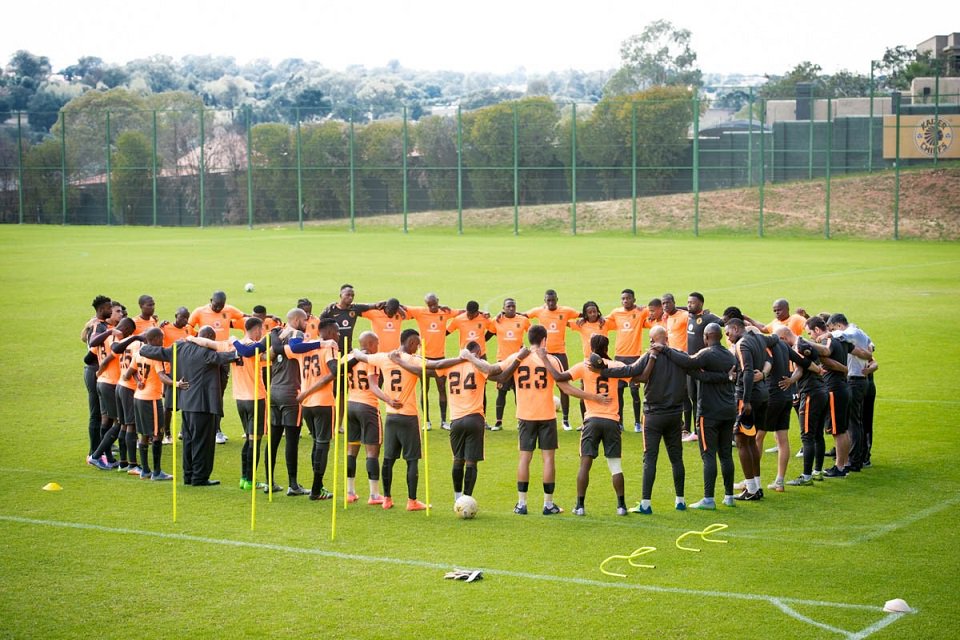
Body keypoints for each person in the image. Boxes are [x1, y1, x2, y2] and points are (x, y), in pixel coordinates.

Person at [492, 325, 603, 516]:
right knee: (548, 459)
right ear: (544, 339)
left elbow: (497, 374)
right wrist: (592, 397)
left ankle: (521, 504)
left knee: (524, 458)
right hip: (547, 416)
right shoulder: (552, 360)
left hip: (525, 416)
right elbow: (566, 389)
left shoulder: (517, 357)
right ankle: (548, 504)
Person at [597, 326, 687, 514]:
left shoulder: (650, 356)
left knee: (650, 459)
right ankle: (680, 500)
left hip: (653, 415)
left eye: (651, 339)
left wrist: (604, 371)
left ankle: (645, 503)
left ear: (655, 340)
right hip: (675, 415)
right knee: (676, 458)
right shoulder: (679, 356)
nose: (649, 343)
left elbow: (630, 370)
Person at [139, 326, 239, 486]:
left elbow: (148, 351)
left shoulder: (178, 348)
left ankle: (188, 475)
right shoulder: (207, 353)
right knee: (202, 443)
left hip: (185, 404)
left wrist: (141, 343)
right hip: (204, 405)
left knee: (189, 440)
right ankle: (199, 478)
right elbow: (230, 356)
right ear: (208, 338)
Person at [538, 334, 624, 516]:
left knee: (585, 464)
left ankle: (580, 506)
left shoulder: (584, 366)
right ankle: (621, 506)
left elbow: (559, 377)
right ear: (607, 348)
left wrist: (544, 358)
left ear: (591, 347)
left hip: (592, 420)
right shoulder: (616, 366)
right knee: (615, 466)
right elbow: (636, 376)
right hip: (612, 421)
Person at [656, 323, 738, 509]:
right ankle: (729, 496)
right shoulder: (730, 355)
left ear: (707, 337)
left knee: (708, 454)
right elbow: (723, 377)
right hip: (728, 410)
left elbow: (688, 362)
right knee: (726, 454)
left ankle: (708, 499)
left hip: (709, 412)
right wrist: (713, 376)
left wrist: (666, 350)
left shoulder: (706, 354)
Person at [352, 329, 430, 511]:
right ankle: (412, 501)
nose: (418, 348)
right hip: (409, 417)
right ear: (411, 343)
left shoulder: (383, 357)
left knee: (388, 459)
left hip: (391, 417)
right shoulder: (414, 360)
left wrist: (357, 351)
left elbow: (360, 356)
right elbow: (435, 367)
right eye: (417, 345)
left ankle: (386, 499)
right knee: (411, 461)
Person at [266, 308, 338, 496]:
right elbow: (298, 347)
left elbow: (269, 355)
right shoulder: (299, 337)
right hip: (295, 394)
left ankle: (269, 481)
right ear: (297, 320)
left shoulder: (279, 335)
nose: (307, 324)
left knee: (273, 439)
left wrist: (274, 333)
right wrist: (320, 344)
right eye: (305, 320)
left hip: (274, 390)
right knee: (293, 440)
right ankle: (294, 484)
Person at [189, 291, 246, 444]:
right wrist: (197, 339)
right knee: (201, 392)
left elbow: (244, 317)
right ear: (210, 301)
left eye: (221, 306)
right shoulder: (199, 312)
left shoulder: (229, 310)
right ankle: (195, 428)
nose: (218, 308)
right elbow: (188, 328)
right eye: (216, 305)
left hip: (223, 357)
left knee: (218, 393)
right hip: (205, 356)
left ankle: (216, 428)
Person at [775, 326, 828, 487]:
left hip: (811, 393)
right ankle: (817, 471)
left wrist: (790, 381)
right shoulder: (806, 343)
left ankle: (806, 476)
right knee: (818, 434)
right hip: (822, 391)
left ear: (784, 338)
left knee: (807, 435)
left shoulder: (798, 346)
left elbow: (800, 368)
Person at [724, 318, 771, 501]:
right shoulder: (758, 338)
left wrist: (746, 400)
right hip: (762, 395)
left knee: (742, 441)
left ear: (736, 328)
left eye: (728, 333)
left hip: (748, 398)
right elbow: (769, 357)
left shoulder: (742, 344)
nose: (727, 337)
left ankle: (751, 489)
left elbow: (748, 371)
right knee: (751, 442)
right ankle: (756, 486)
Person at [87, 317, 139, 470]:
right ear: (128, 331)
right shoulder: (116, 341)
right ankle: (96, 456)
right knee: (119, 423)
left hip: (103, 383)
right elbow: (105, 361)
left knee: (107, 421)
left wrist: (99, 376)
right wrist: (99, 373)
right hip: (110, 384)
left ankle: (108, 457)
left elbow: (90, 355)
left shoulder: (106, 338)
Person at [297, 319, 341, 500]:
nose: (338, 335)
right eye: (337, 331)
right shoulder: (330, 347)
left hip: (307, 405)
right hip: (323, 402)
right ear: (329, 332)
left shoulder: (306, 347)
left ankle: (318, 486)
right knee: (323, 444)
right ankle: (316, 489)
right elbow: (334, 371)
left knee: (317, 442)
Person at [525, 290, 580, 431]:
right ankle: (538, 415)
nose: (550, 303)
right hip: (543, 354)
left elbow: (583, 314)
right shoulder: (539, 311)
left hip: (560, 354)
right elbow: (522, 315)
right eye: (548, 300)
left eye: (553, 300)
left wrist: (583, 319)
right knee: (539, 384)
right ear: (544, 300)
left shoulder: (566, 311)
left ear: (557, 299)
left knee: (563, 386)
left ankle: (566, 420)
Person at [126, 328, 176, 481]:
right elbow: (162, 376)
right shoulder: (155, 356)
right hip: (151, 399)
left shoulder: (138, 352)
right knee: (157, 434)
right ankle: (157, 472)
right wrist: (176, 384)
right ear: (154, 339)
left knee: (143, 434)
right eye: (161, 339)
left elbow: (129, 373)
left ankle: (145, 471)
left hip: (138, 397)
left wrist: (138, 381)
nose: (162, 342)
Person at [344, 331, 388, 505]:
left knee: (351, 450)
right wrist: (388, 399)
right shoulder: (372, 360)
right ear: (370, 344)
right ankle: (375, 495)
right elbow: (374, 386)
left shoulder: (348, 358)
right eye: (376, 343)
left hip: (350, 405)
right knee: (372, 452)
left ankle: (350, 491)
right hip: (368, 407)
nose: (378, 347)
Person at [827, 313, 874, 473]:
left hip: (855, 379)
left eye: (832, 328)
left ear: (838, 325)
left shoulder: (851, 333)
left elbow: (842, 335)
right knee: (856, 421)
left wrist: (826, 335)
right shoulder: (862, 333)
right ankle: (857, 458)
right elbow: (871, 348)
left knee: (853, 422)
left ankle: (854, 461)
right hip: (860, 380)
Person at [807, 317, 853, 478]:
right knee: (843, 428)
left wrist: (807, 345)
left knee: (837, 431)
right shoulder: (842, 340)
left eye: (810, 334)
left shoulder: (828, 341)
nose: (811, 337)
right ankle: (844, 463)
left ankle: (839, 467)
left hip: (834, 388)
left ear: (817, 330)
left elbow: (826, 355)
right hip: (843, 387)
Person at [405, 293, 458, 430]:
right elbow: (402, 307)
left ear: (438, 302)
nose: (433, 307)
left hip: (440, 358)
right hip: (424, 358)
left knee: (442, 388)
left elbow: (463, 312)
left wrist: (484, 313)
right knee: (425, 388)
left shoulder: (445, 312)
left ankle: (443, 421)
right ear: (426, 304)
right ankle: (426, 421)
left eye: (435, 304)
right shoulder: (420, 312)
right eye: (430, 305)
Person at [604, 290, 650, 433]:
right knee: (618, 391)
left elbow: (658, 310)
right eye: (623, 298)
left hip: (635, 357)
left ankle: (637, 422)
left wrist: (643, 308)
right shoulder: (616, 313)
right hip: (619, 357)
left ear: (634, 299)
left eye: (628, 298)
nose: (625, 301)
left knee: (634, 391)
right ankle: (620, 421)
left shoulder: (641, 312)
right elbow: (603, 320)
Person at [446, 301, 494, 429]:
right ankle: (461, 415)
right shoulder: (459, 319)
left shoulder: (483, 319)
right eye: (468, 313)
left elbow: (493, 330)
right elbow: (447, 331)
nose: (470, 316)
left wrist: (483, 340)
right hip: (464, 358)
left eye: (472, 314)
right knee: (465, 387)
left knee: (481, 389)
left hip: (480, 356)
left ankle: (483, 419)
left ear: (477, 312)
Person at [682, 292, 722, 442]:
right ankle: (696, 431)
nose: (689, 305)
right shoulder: (689, 315)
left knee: (702, 399)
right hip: (690, 365)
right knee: (693, 397)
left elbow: (723, 321)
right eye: (688, 302)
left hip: (703, 366)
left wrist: (712, 313)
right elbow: (680, 309)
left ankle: (704, 429)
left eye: (692, 303)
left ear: (700, 304)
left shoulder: (708, 318)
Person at [491, 298, 531, 431]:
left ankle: (521, 420)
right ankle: (498, 422)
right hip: (503, 362)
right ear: (503, 308)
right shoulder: (497, 321)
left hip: (519, 362)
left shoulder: (523, 320)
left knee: (519, 393)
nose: (511, 309)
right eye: (508, 307)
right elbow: (487, 333)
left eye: (513, 306)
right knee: (501, 393)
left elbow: (532, 333)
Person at [81, 295, 113, 458]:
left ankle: (100, 449)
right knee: (96, 414)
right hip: (94, 372)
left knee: (103, 414)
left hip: (96, 370)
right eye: (109, 308)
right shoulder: (98, 326)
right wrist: (110, 332)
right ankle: (94, 453)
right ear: (101, 309)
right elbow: (93, 343)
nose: (111, 310)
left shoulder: (101, 325)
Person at [159, 307, 195, 444]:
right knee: (168, 405)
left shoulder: (188, 329)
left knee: (187, 402)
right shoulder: (165, 328)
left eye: (187, 318)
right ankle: (166, 433)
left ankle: (183, 431)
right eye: (182, 317)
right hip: (170, 371)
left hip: (185, 370)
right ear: (176, 315)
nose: (185, 320)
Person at [569, 301, 606, 430]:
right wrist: (579, 317)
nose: (592, 314)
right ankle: (585, 421)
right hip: (587, 363)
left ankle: (608, 418)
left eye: (594, 312)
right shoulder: (581, 324)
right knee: (583, 393)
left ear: (598, 311)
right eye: (589, 312)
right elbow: (563, 322)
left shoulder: (604, 323)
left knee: (605, 391)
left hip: (603, 362)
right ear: (585, 313)